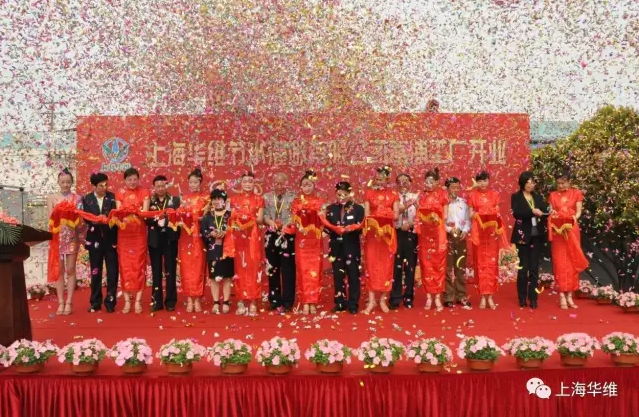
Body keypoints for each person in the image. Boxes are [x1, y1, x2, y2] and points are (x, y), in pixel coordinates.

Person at [548, 171, 589, 309]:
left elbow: (578, 212)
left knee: (572, 260)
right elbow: (552, 211)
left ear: (569, 182)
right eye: (558, 183)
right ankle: (561, 295)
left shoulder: (576, 193)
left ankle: (570, 295)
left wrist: (572, 220)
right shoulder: (553, 195)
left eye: (563, 183)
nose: (560, 186)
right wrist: (554, 215)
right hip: (558, 231)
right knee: (559, 261)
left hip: (571, 229)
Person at [362, 166, 400, 314]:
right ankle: (371, 301)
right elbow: (366, 215)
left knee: (386, 266)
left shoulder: (393, 194)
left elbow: (396, 215)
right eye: (376, 179)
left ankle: (383, 299)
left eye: (381, 179)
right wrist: (376, 217)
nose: (378, 181)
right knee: (371, 266)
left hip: (387, 235)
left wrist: (386, 213)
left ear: (387, 179)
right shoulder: (369, 193)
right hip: (373, 234)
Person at [47, 168, 83, 315]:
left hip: (72, 237)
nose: (65, 184)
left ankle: (69, 302)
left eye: (68, 182)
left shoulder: (77, 198)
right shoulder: (52, 198)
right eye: (63, 182)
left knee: (70, 269)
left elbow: (80, 219)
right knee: (59, 270)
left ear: (72, 182)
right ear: (58, 182)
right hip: (57, 238)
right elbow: (49, 218)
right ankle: (61, 302)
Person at [81, 172, 118, 313]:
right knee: (95, 271)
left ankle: (110, 302)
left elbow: (117, 215)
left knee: (112, 272)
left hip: (111, 240)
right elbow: (85, 217)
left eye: (106, 185)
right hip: (94, 239)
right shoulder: (87, 199)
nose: (104, 188)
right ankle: (95, 302)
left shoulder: (113, 197)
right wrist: (97, 219)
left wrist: (108, 219)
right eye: (101, 185)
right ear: (94, 186)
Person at [114, 167, 150, 314]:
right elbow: (119, 213)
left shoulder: (144, 192)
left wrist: (136, 210)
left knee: (139, 266)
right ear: (125, 180)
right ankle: (127, 301)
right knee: (125, 267)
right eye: (129, 179)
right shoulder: (119, 193)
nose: (132, 182)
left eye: (135, 179)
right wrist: (129, 211)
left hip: (139, 234)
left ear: (138, 179)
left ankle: (138, 301)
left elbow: (145, 214)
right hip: (124, 234)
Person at [511, 171, 549, 309]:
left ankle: (533, 298)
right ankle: (522, 298)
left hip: (536, 236)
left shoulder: (538, 197)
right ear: (523, 184)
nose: (531, 185)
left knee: (534, 269)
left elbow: (545, 211)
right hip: (522, 236)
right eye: (529, 183)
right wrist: (531, 211)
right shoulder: (516, 197)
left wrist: (549, 211)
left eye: (533, 182)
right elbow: (516, 213)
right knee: (523, 269)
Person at [326, 181, 365, 314]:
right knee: (338, 276)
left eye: (345, 194)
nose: (341, 197)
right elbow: (327, 228)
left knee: (353, 276)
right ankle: (340, 303)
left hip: (351, 247)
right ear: (335, 194)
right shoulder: (330, 208)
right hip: (335, 247)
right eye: (339, 194)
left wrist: (350, 228)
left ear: (350, 194)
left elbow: (361, 228)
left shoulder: (358, 209)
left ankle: (353, 304)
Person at [229, 171, 264, 315]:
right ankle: (241, 301)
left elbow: (260, 219)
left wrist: (248, 217)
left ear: (254, 183)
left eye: (250, 181)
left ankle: (253, 300)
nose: (248, 184)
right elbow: (231, 218)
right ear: (241, 183)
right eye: (245, 181)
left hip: (253, 237)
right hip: (239, 237)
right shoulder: (234, 199)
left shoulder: (259, 199)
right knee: (239, 268)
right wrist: (239, 217)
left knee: (254, 268)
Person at [467, 171, 504, 310]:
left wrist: (490, 212)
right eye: (480, 181)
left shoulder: (495, 195)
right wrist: (479, 214)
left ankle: (491, 296)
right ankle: (483, 295)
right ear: (476, 182)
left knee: (492, 264)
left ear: (489, 181)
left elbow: (498, 213)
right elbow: (470, 214)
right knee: (480, 264)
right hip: (479, 234)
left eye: (485, 180)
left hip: (491, 233)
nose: (482, 183)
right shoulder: (472, 195)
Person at [290, 170, 325, 315]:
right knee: (303, 271)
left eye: (309, 185)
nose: (307, 187)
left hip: (315, 240)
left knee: (315, 270)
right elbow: (293, 223)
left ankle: (313, 301)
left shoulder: (320, 201)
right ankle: (305, 301)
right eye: (304, 185)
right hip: (302, 241)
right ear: (300, 187)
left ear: (314, 185)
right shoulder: (296, 202)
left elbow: (323, 221)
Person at [415, 168, 449, 311]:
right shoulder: (421, 196)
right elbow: (418, 215)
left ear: (437, 182)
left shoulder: (443, 195)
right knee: (426, 265)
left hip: (438, 233)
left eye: (431, 181)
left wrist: (435, 217)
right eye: (426, 181)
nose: (428, 184)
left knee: (438, 265)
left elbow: (445, 216)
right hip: (425, 234)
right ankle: (429, 297)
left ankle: (438, 297)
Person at [262, 172, 296, 311]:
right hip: (271, 234)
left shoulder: (293, 197)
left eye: (282, 183)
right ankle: (274, 300)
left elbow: (295, 215)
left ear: (286, 183)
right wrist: (269, 221)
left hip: (287, 234)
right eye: (277, 183)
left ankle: (288, 301)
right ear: (273, 183)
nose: (279, 186)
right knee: (272, 268)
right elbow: (263, 215)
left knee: (288, 269)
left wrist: (286, 225)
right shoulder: (266, 197)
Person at [146, 175, 181, 312]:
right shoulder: (149, 201)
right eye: (158, 186)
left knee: (170, 270)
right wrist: (156, 220)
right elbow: (145, 218)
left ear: (167, 186)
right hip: (154, 240)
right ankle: (157, 301)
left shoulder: (175, 200)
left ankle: (171, 301)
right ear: (154, 187)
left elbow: (178, 217)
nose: (160, 188)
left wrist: (166, 221)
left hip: (170, 239)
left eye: (163, 185)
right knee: (156, 271)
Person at [178, 168, 209, 313]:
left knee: (198, 266)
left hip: (199, 236)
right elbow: (179, 216)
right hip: (186, 236)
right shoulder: (183, 198)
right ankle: (189, 299)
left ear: (200, 183)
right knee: (186, 267)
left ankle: (197, 298)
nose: (193, 185)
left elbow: (207, 218)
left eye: (195, 182)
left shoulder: (207, 198)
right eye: (190, 182)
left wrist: (195, 217)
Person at [201, 189, 234, 314]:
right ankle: (215, 302)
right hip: (213, 249)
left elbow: (236, 229)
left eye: (219, 199)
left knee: (227, 276)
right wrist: (211, 234)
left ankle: (226, 302)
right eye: (214, 199)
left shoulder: (230, 215)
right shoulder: (207, 216)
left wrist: (226, 232)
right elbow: (203, 231)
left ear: (224, 201)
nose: (216, 201)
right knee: (214, 277)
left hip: (227, 249)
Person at [390, 173, 419, 309]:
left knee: (410, 266)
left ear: (411, 182)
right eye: (400, 181)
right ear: (396, 184)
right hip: (396, 233)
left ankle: (408, 297)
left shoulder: (416, 197)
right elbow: (390, 214)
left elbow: (422, 214)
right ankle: (395, 298)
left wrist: (412, 223)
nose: (403, 183)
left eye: (406, 181)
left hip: (411, 233)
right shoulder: (392, 197)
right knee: (396, 266)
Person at [443, 177, 471, 308]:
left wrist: (465, 230)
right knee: (448, 268)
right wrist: (449, 230)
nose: (455, 190)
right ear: (447, 188)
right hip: (447, 236)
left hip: (461, 237)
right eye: (453, 187)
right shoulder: (443, 203)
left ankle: (461, 295)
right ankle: (448, 296)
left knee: (460, 267)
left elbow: (468, 220)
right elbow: (440, 221)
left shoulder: (464, 203)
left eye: (457, 187)